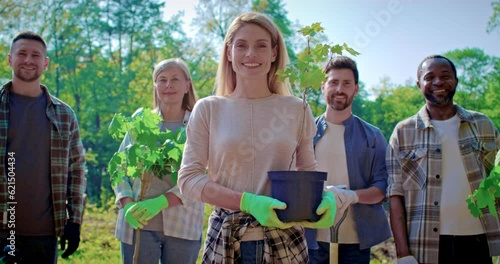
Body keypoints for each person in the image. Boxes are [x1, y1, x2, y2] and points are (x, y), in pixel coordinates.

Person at [178, 12, 336, 263]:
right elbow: (189, 179)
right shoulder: (208, 108)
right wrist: (247, 202)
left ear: (274, 53)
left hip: (285, 240)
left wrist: (325, 196)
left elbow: (307, 170)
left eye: (261, 45)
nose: (250, 54)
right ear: (229, 52)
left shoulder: (297, 108)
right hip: (227, 239)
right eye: (241, 45)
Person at [387, 55, 500, 264]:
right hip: (426, 246)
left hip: (478, 241)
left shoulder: (482, 124)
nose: (438, 82)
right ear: (419, 84)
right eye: (430, 77)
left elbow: (498, 184)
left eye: (445, 76)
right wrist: (403, 254)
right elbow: (395, 196)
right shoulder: (403, 132)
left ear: (456, 81)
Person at [0, 31, 87, 263]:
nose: (29, 60)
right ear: (10, 59)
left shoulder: (64, 114)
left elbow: (77, 170)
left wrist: (74, 221)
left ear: (45, 63)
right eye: (22, 54)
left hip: (44, 234)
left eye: (35, 55)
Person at [113, 58, 204, 264]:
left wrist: (163, 201)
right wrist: (127, 204)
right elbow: (120, 167)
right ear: (155, 86)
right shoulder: (142, 122)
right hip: (138, 225)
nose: (168, 85)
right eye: (161, 80)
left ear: (187, 85)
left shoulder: (199, 124)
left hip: (183, 224)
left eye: (175, 79)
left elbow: (203, 175)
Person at [306, 56, 391, 264]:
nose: (339, 89)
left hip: (355, 245)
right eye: (333, 82)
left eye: (346, 83)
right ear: (323, 87)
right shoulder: (304, 133)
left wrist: (351, 196)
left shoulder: (373, 136)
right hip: (311, 242)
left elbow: (383, 186)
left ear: (356, 89)